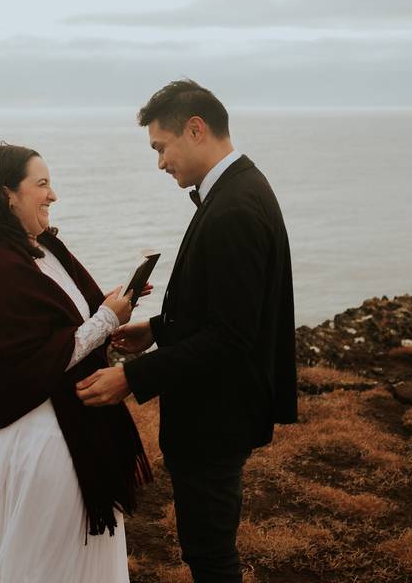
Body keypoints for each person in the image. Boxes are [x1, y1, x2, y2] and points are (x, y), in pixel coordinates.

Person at [76, 80, 297, 582]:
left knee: (210, 554)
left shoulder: (236, 208)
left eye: (161, 147)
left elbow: (229, 337)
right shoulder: (238, 188)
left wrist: (131, 379)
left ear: (195, 129)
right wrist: (155, 327)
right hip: (221, 408)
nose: (159, 163)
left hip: (218, 416)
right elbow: (228, 308)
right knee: (207, 547)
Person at [0, 144, 153, 583]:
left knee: (81, 559)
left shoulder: (45, 249)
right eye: (41, 184)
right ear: (8, 195)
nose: (53, 195)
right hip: (43, 438)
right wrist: (105, 320)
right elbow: (41, 356)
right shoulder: (1, 266)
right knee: (48, 560)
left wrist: (113, 308)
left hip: (75, 428)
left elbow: (69, 321)